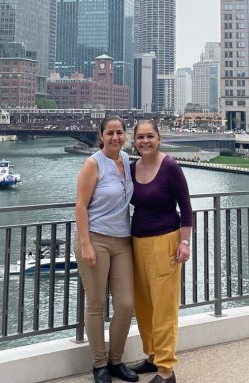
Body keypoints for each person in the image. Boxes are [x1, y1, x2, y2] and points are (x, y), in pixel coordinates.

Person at [74, 116, 140, 383]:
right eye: (110, 133)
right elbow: (80, 205)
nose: (115, 137)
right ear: (101, 135)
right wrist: (86, 243)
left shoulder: (125, 160)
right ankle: (100, 364)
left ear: (126, 135)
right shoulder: (93, 163)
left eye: (120, 132)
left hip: (123, 240)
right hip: (95, 239)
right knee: (96, 304)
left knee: (125, 304)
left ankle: (115, 360)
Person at [129, 119, 193, 383]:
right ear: (134, 141)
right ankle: (153, 355)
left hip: (165, 239)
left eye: (150, 136)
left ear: (158, 137)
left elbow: (186, 207)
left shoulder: (170, 167)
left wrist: (184, 242)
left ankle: (166, 370)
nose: (145, 141)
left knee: (164, 307)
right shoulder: (131, 168)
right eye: (140, 137)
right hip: (136, 241)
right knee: (143, 305)